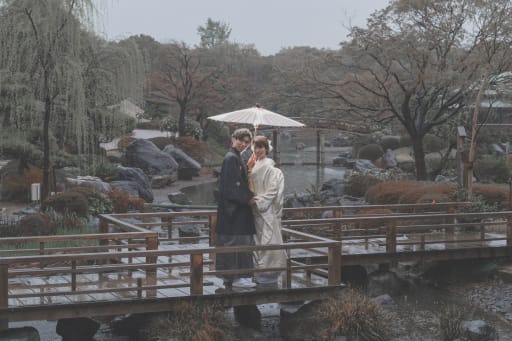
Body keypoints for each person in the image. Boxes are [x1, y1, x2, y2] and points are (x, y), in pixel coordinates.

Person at [215, 128, 257, 288]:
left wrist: (248, 168)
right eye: (240, 140)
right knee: (237, 243)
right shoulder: (231, 158)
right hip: (233, 210)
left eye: (247, 142)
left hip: (233, 209)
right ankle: (237, 277)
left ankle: (232, 277)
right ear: (233, 138)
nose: (243, 144)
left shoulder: (235, 157)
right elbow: (233, 186)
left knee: (235, 242)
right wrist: (248, 198)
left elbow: (237, 180)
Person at [248, 135, 287, 284]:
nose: (257, 150)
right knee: (258, 242)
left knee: (268, 241)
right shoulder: (253, 164)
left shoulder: (271, 168)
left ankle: (269, 273)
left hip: (265, 210)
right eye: (255, 147)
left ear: (266, 149)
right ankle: (259, 271)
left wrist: (257, 201)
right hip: (255, 211)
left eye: (260, 147)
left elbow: (272, 191)